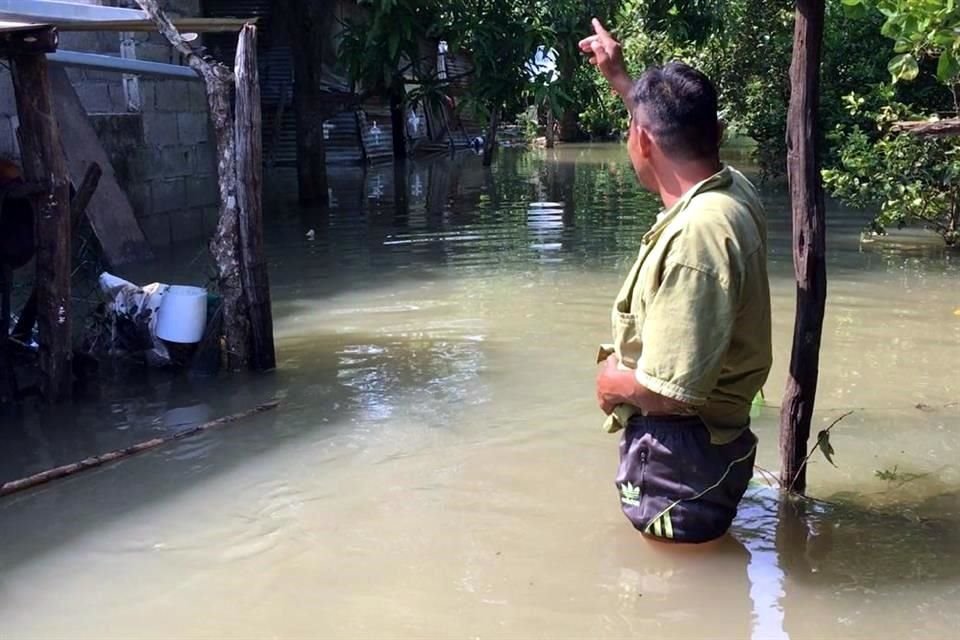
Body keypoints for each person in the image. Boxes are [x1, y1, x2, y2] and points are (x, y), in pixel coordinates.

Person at [580, 19, 772, 543]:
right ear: (716, 133)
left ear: (642, 140)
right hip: (710, 451)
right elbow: (667, 143)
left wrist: (615, 382)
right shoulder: (731, 190)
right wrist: (623, 83)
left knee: (673, 602)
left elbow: (675, 394)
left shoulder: (697, 237)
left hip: (681, 463)